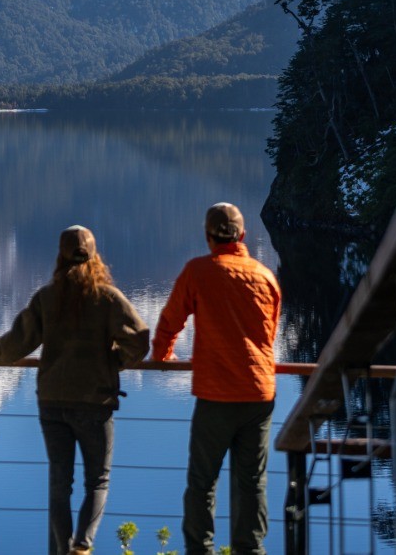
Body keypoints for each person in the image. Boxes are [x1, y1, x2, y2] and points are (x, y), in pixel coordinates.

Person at [0, 225, 149, 555]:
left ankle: (60, 552)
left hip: (51, 401)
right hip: (95, 401)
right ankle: (82, 544)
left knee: (59, 484)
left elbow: (12, 347)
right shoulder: (108, 299)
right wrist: (114, 362)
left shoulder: (47, 298)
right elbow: (139, 339)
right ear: (95, 257)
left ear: (60, 256)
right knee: (98, 480)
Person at [152, 202, 281, 555]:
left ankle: (200, 549)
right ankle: (250, 550)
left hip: (217, 394)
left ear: (208, 237)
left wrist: (162, 356)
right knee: (252, 481)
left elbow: (170, 321)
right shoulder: (266, 276)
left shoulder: (198, 272)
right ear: (243, 235)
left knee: (202, 481)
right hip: (259, 393)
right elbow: (268, 334)